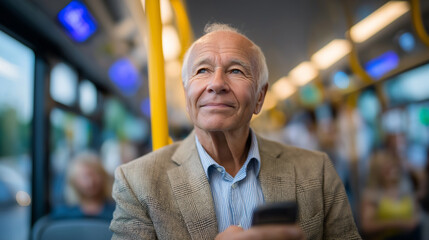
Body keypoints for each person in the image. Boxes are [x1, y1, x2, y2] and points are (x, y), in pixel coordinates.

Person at [110, 23, 361, 240]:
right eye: (202, 70)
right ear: (187, 95)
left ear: (259, 97)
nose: (217, 83)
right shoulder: (138, 182)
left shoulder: (317, 171)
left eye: (236, 71)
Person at [360, 149, 421, 240]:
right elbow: (367, 226)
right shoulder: (371, 194)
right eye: (385, 168)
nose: (391, 170)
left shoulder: (404, 188)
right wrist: (398, 223)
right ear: (377, 171)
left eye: (392, 166)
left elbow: (415, 215)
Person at [51, 151, 115, 220]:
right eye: (84, 177)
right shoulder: (62, 215)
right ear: (73, 181)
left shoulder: (117, 213)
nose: (90, 182)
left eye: (95, 175)